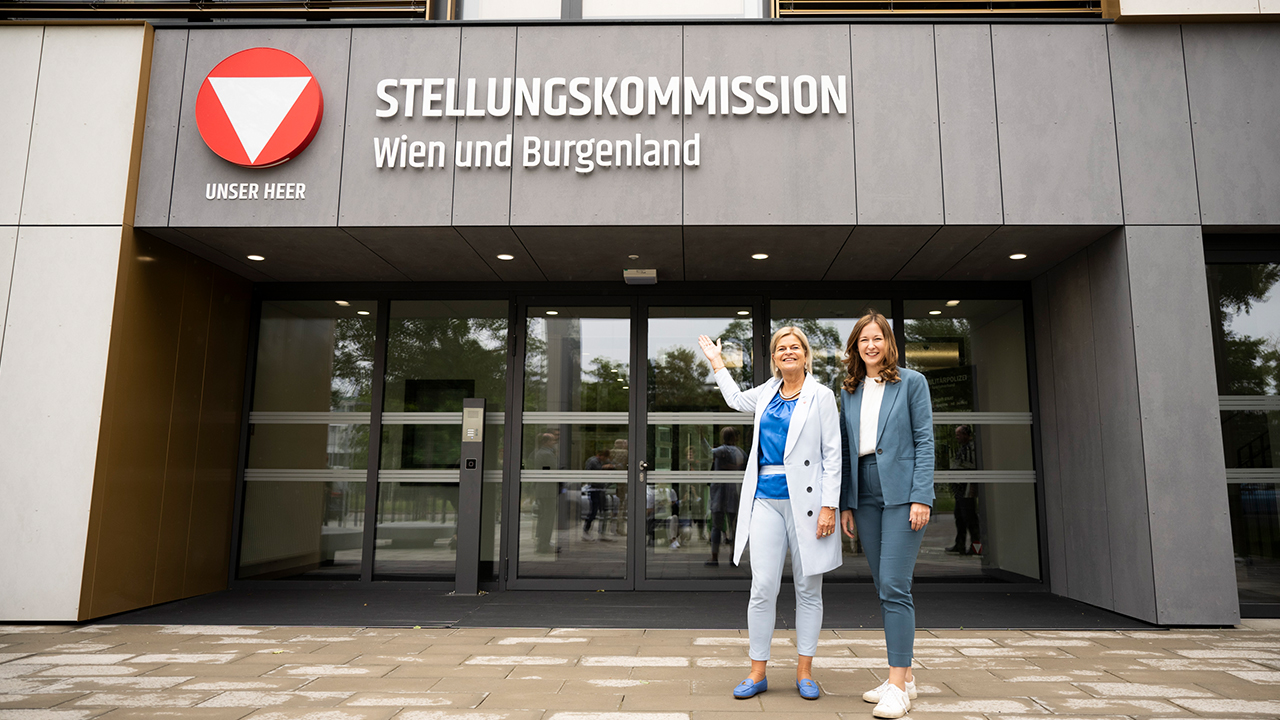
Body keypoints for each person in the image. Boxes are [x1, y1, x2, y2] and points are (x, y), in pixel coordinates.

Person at [698, 327, 841, 702]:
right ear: (774, 357)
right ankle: (757, 671)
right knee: (763, 587)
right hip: (764, 497)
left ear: (805, 355)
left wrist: (830, 505)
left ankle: (805, 672)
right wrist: (717, 362)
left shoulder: (822, 396)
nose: (788, 352)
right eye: (781, 348)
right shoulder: (766, 392)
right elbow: (732, 399)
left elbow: (832, 455)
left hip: (807, 502)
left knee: (809, 587)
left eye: (795, 347)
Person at [837, 312, 934, 719]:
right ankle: (905, 677)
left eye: (877, 338)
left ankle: (897, 686)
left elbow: (925, 439)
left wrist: (922, 496)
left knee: (895, 585)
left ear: (888, 343)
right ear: (855, 346)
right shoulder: (849, 388)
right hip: (864, 491)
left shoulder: (912, 383)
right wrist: (845, 501)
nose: (871, 345)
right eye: (864, 340)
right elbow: (843, 448)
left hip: (901, 491)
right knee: (882, 585)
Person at [707, 426, 745, 566]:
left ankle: (714, 557)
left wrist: (702, 438)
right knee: (734, 526)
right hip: (734, 491)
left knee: (716, 526)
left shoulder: (722, 450)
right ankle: (733, 557)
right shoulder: (740, 452)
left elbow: (707, 452)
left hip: (719, 492)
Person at [946, 425, 982, 556]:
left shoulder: (971, 449)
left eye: (959, 434)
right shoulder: (963, 448)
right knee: (960, 516)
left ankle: (976, 546)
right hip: (960, 488)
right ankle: (960, 544)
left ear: (966, 435)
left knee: (970, 517)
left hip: (966, 487)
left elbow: (971, 466)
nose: (957, 437)